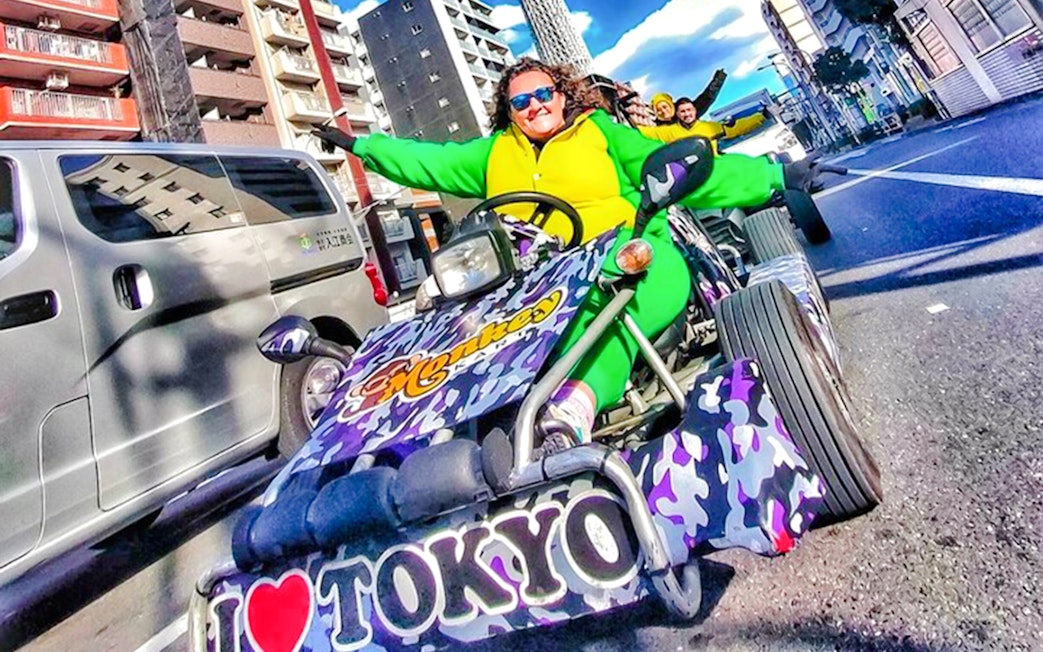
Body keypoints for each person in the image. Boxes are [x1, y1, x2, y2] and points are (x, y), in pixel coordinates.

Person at [313, 57, 813, 455]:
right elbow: (428, 160)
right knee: (448, 308)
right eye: (521, 102)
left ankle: (575, 407)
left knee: (613, 289)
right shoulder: (493, 153)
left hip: (627, 259)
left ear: (561, 95)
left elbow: (695, 174)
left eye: (542, 95)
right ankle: (421, 444)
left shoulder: (600, 132)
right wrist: (360, 145)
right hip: (533, 284)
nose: (534, 106)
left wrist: (773, 177)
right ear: (509, 112)